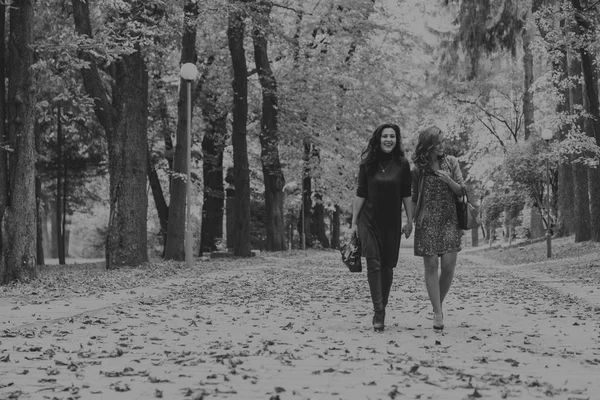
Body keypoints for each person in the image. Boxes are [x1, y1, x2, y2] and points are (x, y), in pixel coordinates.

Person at [351, 123, 413, 332]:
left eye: (392, 136)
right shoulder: (367, 164)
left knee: (387, 267)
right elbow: (360, 193)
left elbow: (406, 194)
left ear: (397, 140)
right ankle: (379, 312)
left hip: (391, 223)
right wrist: (353, 222)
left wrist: (409, 220)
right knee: (374, 263)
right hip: (368, 220)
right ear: (378, 139)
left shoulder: (403, 164)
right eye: (385, 136)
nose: (388, 139)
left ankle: (382, 306)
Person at [411, 126, 464, 331]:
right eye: (438, 142)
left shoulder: (451, 162)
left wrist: (448, 179)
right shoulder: (418, 169)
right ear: (429, 145)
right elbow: (415, 198)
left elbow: (461, 191)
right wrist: (409, 221)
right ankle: (437, 313)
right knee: (431, 266)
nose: (442, 145)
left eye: (443, 141)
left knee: (449, 267)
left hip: (450, 220)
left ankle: (437, 305)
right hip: (426, 220)